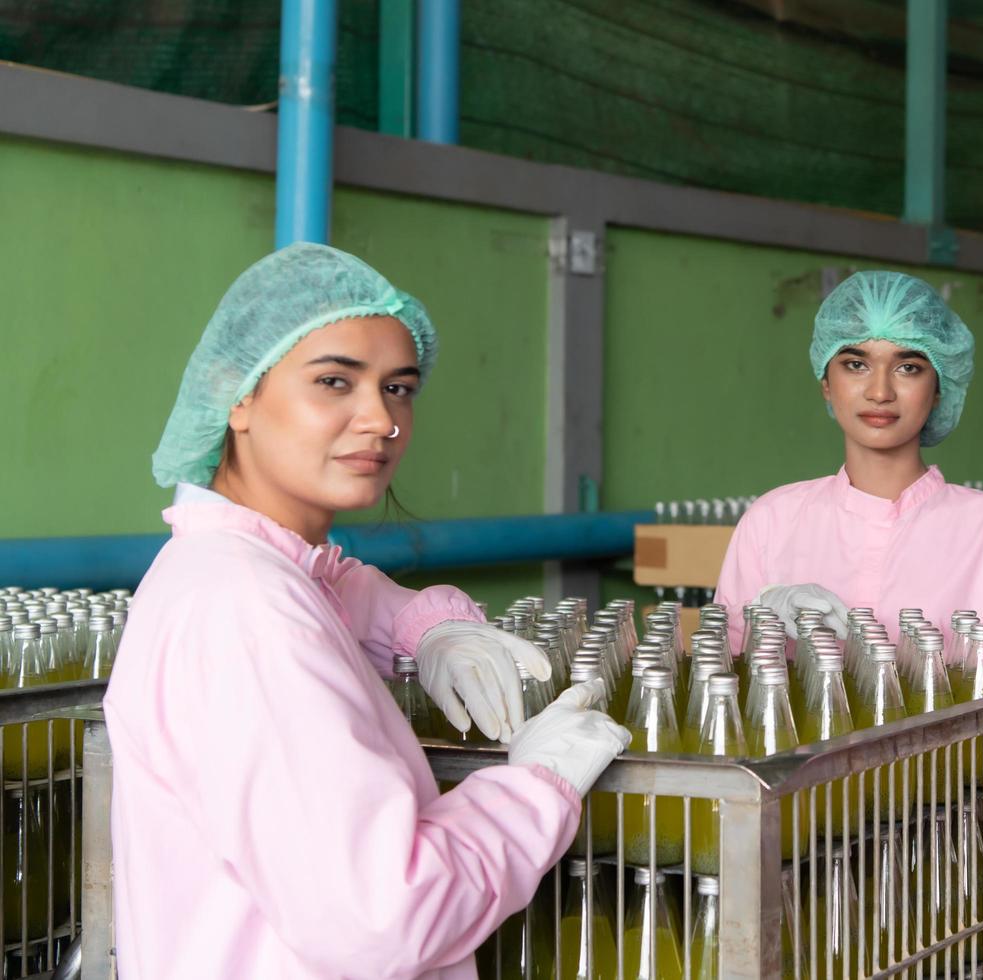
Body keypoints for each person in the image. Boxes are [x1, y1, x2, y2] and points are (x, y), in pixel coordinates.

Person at [104, 243, 632, 978]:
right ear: (237, 393)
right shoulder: (247, 612)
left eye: (399, 389)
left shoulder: (246, 569)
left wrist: (429, 626)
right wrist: (533, 789)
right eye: (333, 382)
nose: (379, 419)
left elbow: (341, 587)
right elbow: (380, 919)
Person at [713, 270, 983, 772]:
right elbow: (718, 710)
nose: (880, 391)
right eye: (856, 363)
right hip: (800, 825)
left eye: (907, 367)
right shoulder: (771, 522)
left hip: (958, 824)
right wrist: (761, 627)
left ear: (938, 386)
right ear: (825, 381)